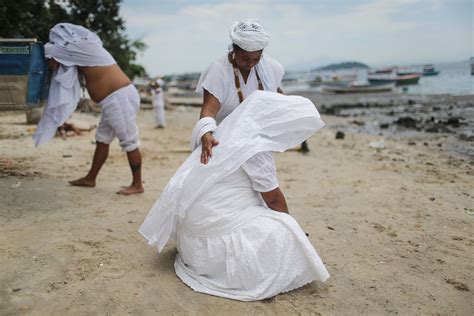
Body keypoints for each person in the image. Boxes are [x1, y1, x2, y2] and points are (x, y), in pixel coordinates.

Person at [139, 91, 329, 301]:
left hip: (193, 237)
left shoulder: (225, 133)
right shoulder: (255, 148)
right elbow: (274, 199)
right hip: (211, 236)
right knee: (284, 229)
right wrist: (289, 224)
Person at [33, 23, 144, 195]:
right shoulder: (81, 49)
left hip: (119, 97)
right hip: (113, 99)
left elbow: (48, 51)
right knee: (102, 139)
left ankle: (137, 184)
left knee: (129, 140)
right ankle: (90, 178)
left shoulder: (81, 46)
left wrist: (55, 55)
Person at [192, 19, 288, 162]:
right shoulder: (218, 70)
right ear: (234, 49)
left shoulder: (271, 68)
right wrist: (206, 133)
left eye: (256, 59)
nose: (250, 64)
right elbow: (209, 110)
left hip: (256, 140)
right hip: (223, 141)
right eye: (245, 58)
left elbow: (277, 94)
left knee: (267, 183)